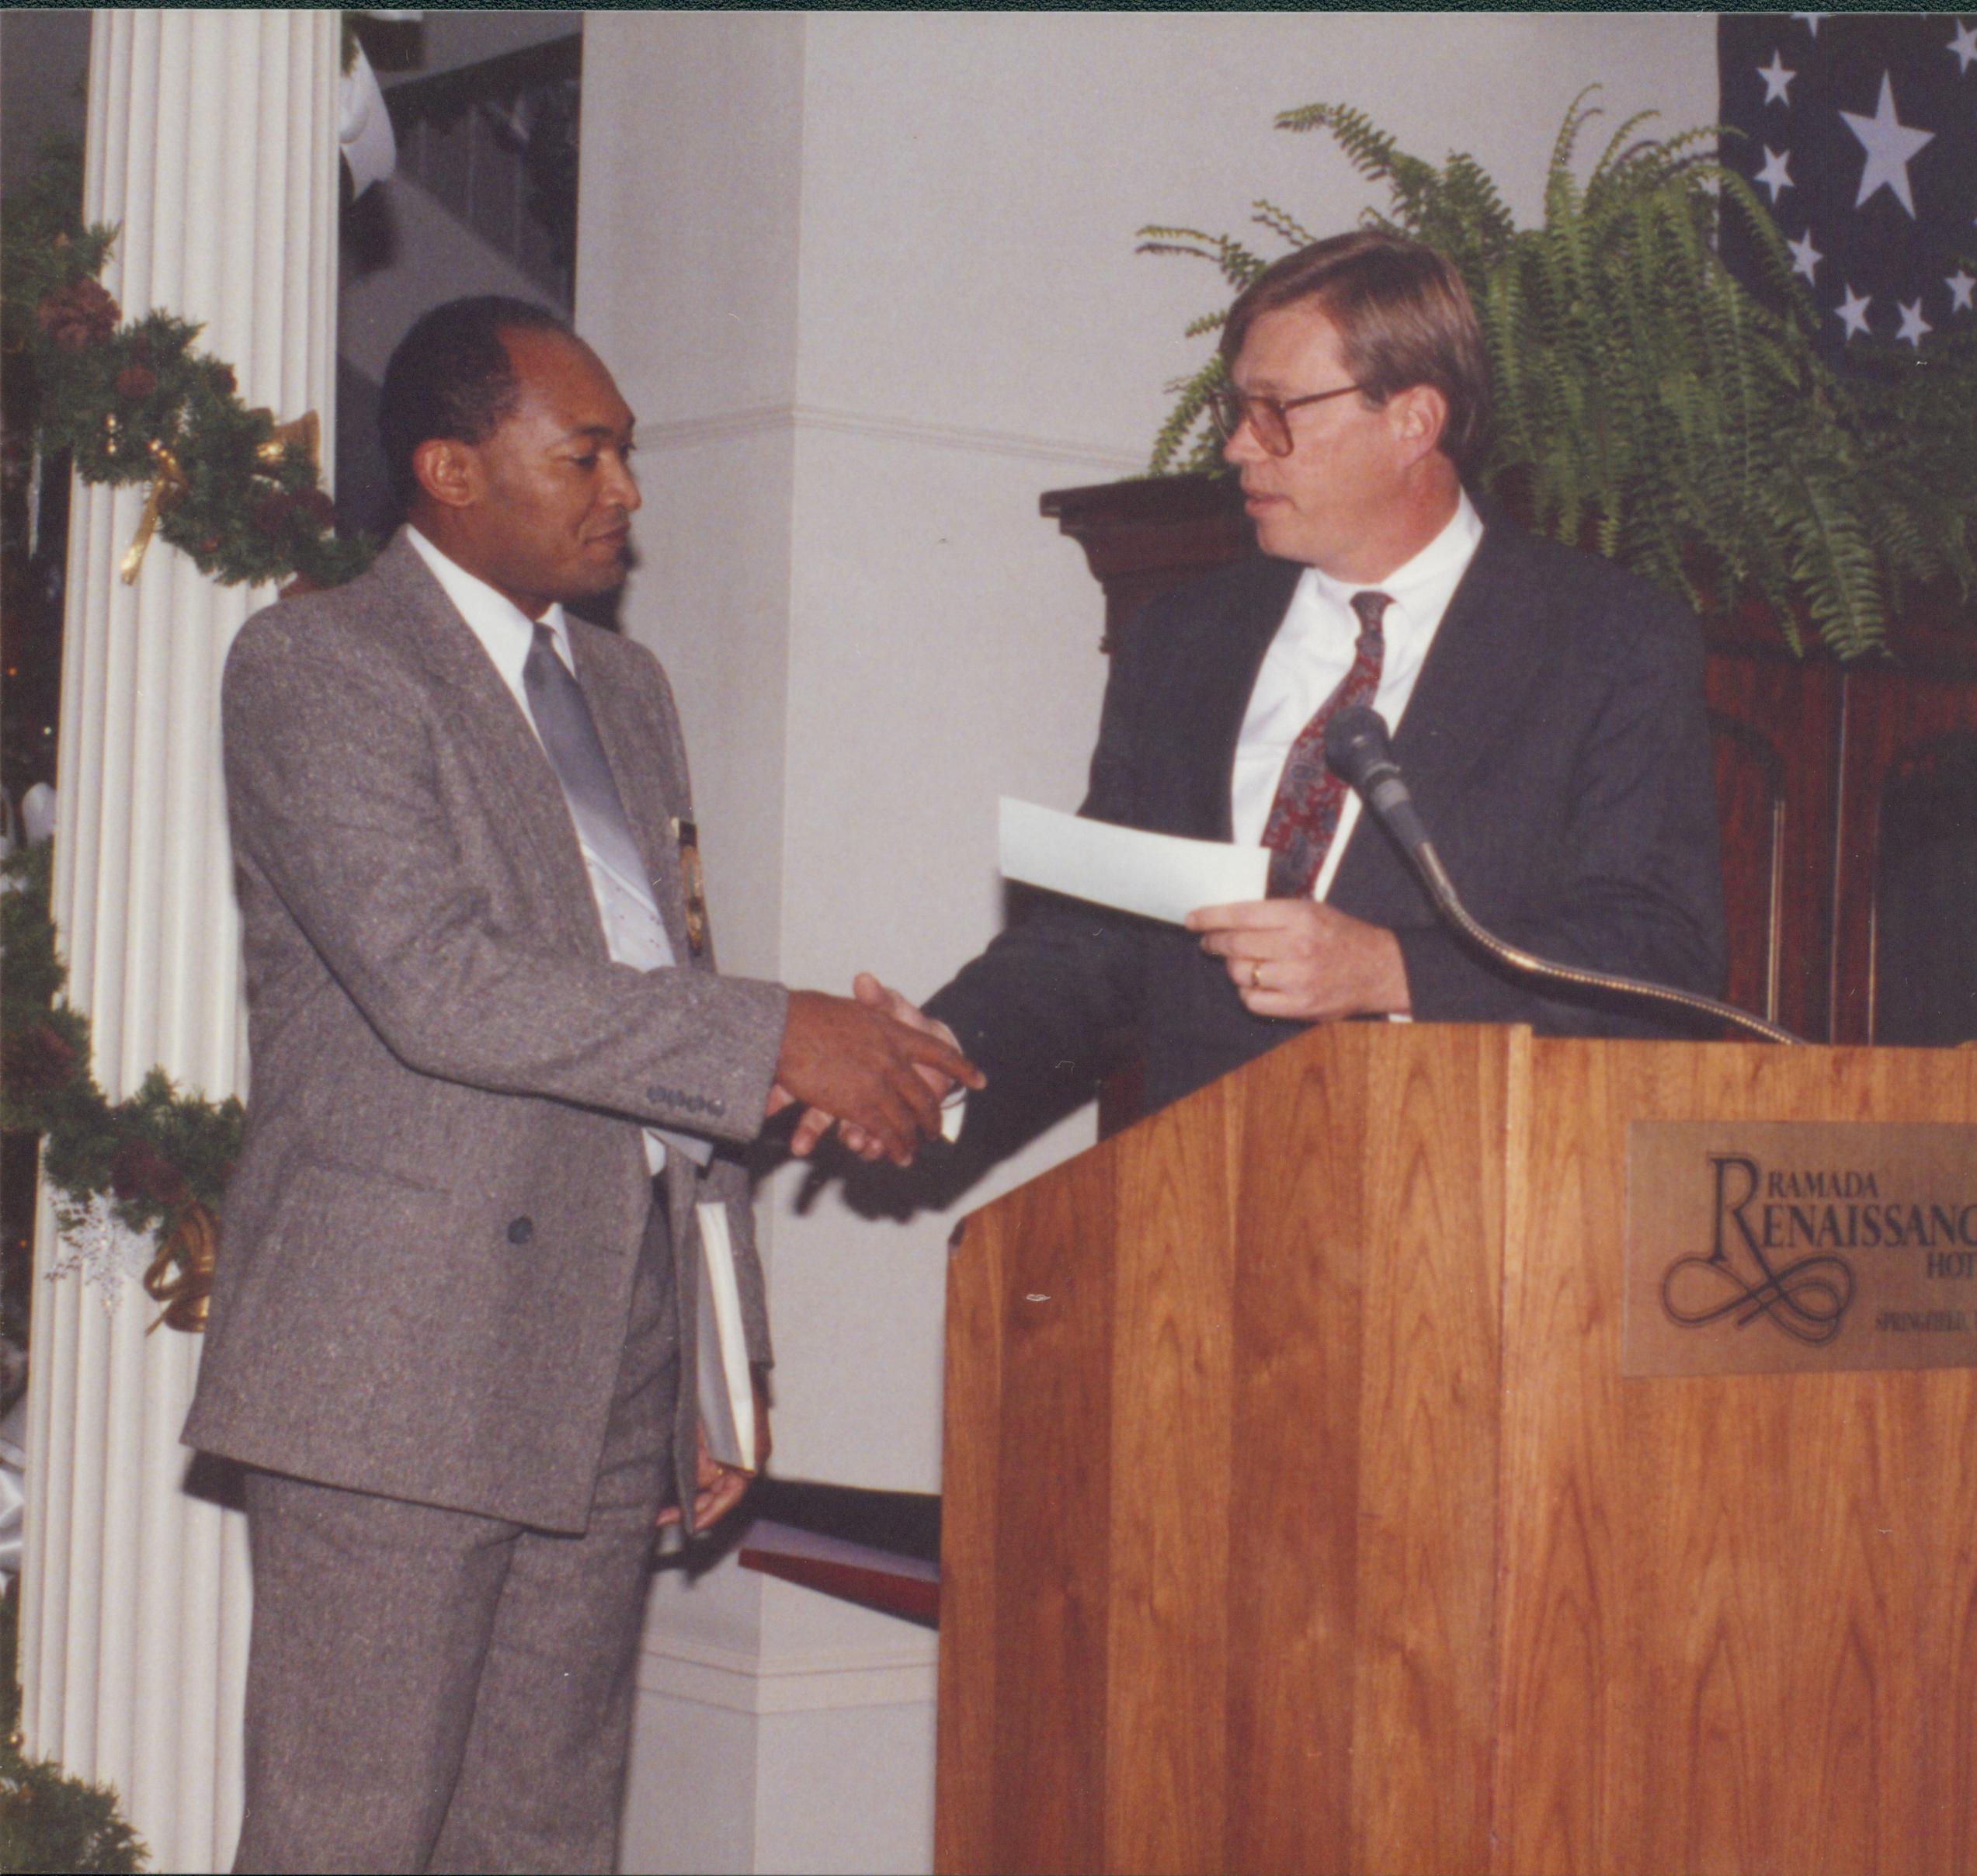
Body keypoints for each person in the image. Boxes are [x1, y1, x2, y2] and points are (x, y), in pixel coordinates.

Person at [187, 295, 978, 1874]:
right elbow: (440, 985)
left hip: (611, 1356)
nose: (624, 492)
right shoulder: (321, 663)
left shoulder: (630, 691)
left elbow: (660, 997)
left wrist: (714, 1355)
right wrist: (777, 1034)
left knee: (545, 1836)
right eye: (588, 453)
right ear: (448, 468)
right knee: (348, 1835)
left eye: (625, 455)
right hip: (395, 1374)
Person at [835, 229, 1725, 1155]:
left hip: (1458, 1219)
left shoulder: (1604, 638)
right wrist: (943, 1049)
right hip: (1191, 1216)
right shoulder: (1184, 641)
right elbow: (1096, 940)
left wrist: (1390, 971)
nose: (1235, 447)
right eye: (1237, 408)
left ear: (1414, 420)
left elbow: (1657, 956)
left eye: (1276, 411)